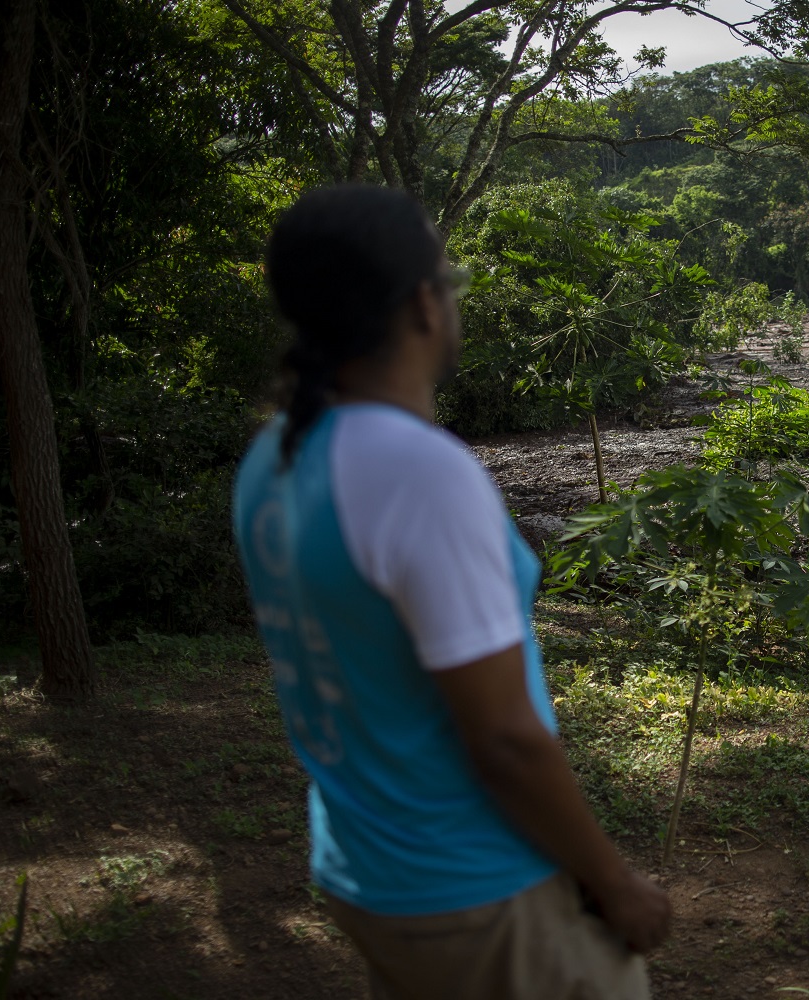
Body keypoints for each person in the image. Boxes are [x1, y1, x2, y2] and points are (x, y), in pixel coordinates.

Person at [232, 184, 670, 999]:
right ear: (424, 306)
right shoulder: (418, 473)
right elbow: (503, 738)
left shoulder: (272, 461)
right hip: (477, 887)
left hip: (365, 869)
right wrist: (613, 882)